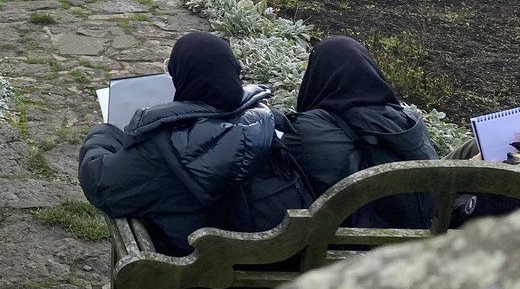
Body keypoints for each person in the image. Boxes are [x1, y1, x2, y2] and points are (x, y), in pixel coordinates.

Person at [78, 32, 307, 255]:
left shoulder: (164, 149)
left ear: (181, 77)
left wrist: (105, 132)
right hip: (276, 255)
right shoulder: (268, 123)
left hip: (196, 265)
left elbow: (100, 182)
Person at [282, 36, 437, 228]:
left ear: (316, 76)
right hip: (420, 236)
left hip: (345, 243)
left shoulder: (303, 130)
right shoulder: (410, 122)